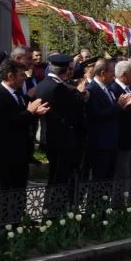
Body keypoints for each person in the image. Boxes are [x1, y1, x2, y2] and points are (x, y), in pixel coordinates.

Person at [0, 59, 49, 224]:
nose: (24, 78)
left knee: (20, 187)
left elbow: (23, 116)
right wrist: (30, 113)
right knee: (6, 189)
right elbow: (6, 124)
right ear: (10, 76)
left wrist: (35, 113)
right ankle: (4, 223)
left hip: (21, 150)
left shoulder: (19, 94)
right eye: (21, 75)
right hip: (6, 151)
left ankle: (19, 218)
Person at [35, 54, 89, 214]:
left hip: (52, 137)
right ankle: (55, 212)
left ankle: (50, 209)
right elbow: (75, 105)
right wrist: (80, 92)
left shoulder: (44, 83)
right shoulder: (57, 87)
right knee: (59, 178)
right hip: (61, 139)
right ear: (65, 71)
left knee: (54, 177)